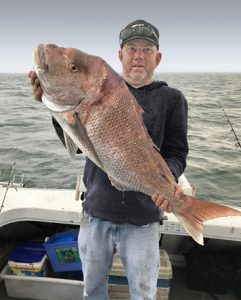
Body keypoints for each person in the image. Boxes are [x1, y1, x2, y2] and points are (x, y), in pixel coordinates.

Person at [29, 19, 188, 300]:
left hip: (144, 220)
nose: (138, 55)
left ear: (157, 57)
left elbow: (176, 153)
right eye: (131, 48)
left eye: (146, 49)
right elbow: (78, 146)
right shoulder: (95, 91)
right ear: (120, 55)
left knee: (144, 293)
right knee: (92, 290)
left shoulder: (172, 98)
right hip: (96, 213)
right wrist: (54, 110)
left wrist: (169, 183)